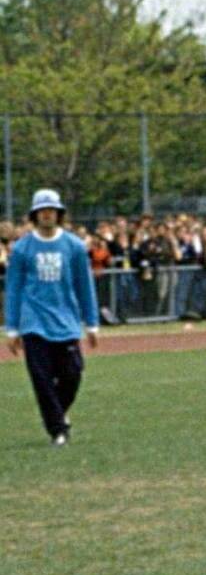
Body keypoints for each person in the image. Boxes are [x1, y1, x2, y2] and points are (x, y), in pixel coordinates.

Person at [4, 189, 100, 447]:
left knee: (73, 374)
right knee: (42, 380)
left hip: (66, 322)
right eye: (42, 210)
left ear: (59, 213)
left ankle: (58, 414)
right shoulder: (23, 248)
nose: (47, 214)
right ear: (35, 214)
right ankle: (58, 430)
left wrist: (91, 323)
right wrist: (11, 328)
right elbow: (13, 289)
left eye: (52, 210)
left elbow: (84, 285)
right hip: (34, 323)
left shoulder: (74, 246)